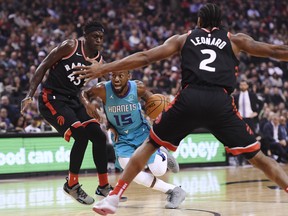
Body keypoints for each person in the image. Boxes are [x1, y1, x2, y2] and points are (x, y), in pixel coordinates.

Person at [74, 3, 288, 215]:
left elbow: (145, 57)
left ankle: (113, 198)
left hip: (190, 98)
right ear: (221, 23)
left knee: (149, 145)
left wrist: (103, 68)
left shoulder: (184, 38)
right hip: (220, 102)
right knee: (259, 158)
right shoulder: (235, 40)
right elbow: (275, 50)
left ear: (199, 21)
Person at [20, 21, 114, 205]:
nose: (99, 40)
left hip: (73, 100)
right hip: (52, 98)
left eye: (101, 37)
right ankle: (71, 185)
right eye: (95, 36)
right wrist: (29, 94)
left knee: (99, 136)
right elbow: (44, 65)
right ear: (85, 36)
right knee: (81, 136)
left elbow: (106, 87)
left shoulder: (99, 61)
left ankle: (103, 186)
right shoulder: (70, 46)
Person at [80, 70, 184, 209]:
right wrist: (87, 104)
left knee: (159, 171)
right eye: (113, 76)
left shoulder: (138, 87)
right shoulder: (103, 89)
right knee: (131, 171)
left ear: (128, 77)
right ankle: (174, 190)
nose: (116, 79)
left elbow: (153, 102)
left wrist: (160, 112)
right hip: (121, 137)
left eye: (120, 75)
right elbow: (83, 93)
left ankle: (162, 153)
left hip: (141, 132)